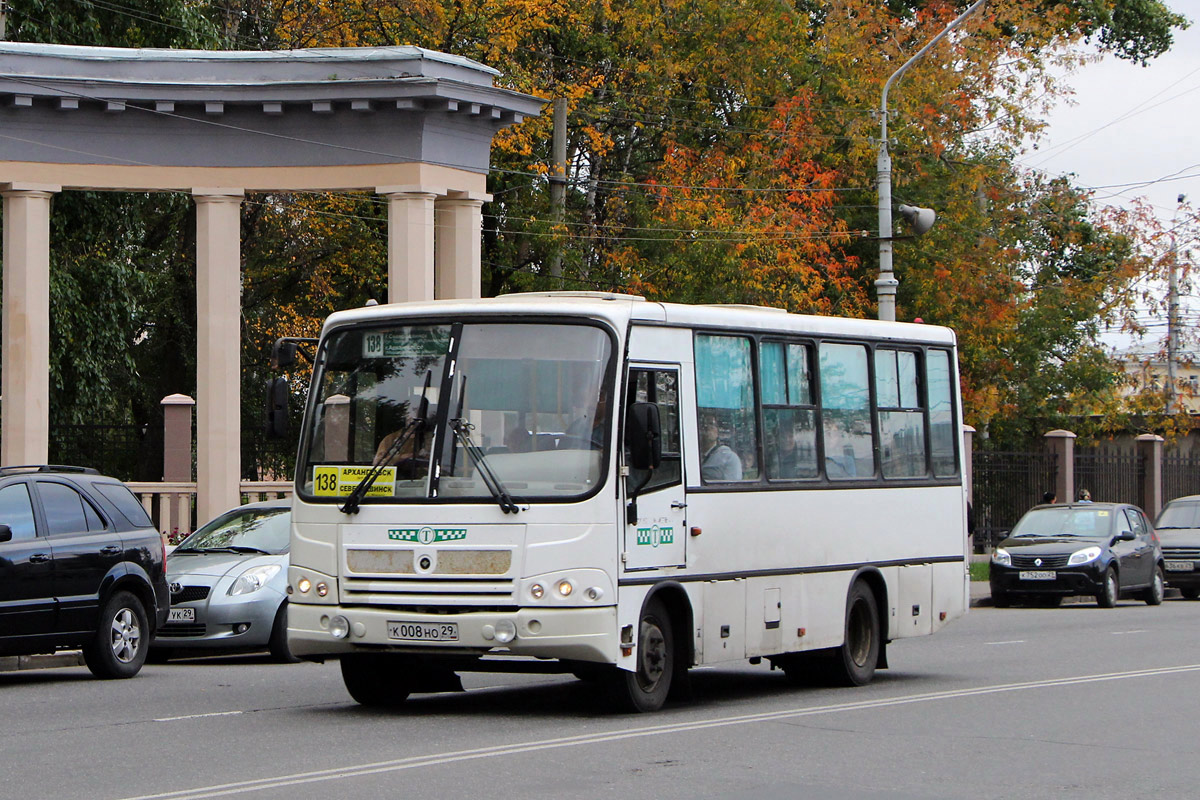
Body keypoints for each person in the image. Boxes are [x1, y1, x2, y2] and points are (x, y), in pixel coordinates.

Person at [699, 411, 741, 481]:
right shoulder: (691, 457)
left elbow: (732, 487)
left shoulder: (729, 458)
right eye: (703, 425)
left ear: (717, 431)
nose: (707, 428)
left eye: (711, 424)